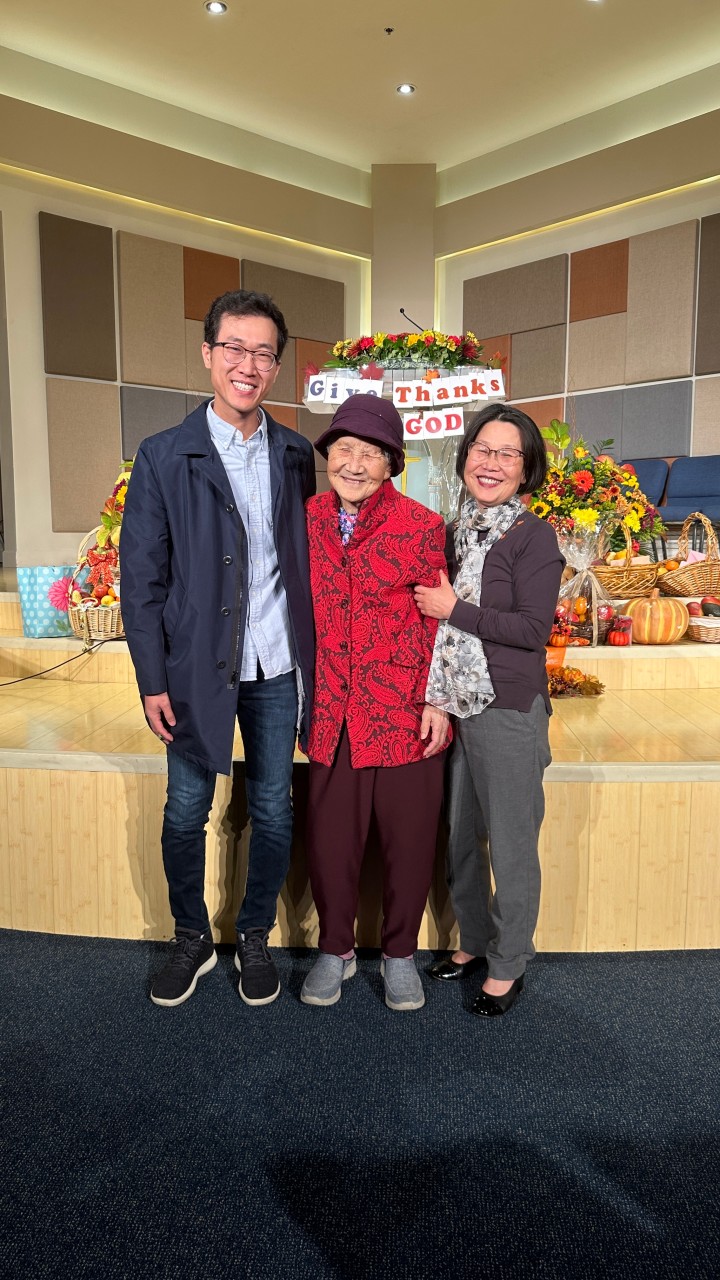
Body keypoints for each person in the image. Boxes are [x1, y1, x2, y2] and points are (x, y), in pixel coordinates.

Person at [121, 289, 315, 1008]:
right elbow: (141, 580)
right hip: (194, 667)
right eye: (234, 347)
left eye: (263, 353)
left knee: (273, 809)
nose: (247, 365)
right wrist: (152, 678)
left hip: (276, 664)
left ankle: (255, 933)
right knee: (185, 809)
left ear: (276, 367)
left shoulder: (296, 454)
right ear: (208, 354)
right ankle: (190, 937)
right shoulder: (164, 455)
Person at [300, 394, 450, 1012]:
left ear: (391, 464)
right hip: (331, 709)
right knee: (330, 841)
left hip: (404, 708)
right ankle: (333, 949)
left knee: (409, 842)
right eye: (344, 449)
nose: (354, 464)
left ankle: (400, 954)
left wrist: (438, 699)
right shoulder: (305, 518)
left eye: (370, 453)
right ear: (328, 457)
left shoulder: (422, 524)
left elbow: (442, 621)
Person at [414, 403, 563, 1017]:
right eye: (482, 449)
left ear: (526, 469)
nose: (491, 462)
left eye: (508, 454)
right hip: (456, 701)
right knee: (460, 837)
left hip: (507, 704)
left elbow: (532, 630)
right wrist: (434, 696)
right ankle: (473, 940)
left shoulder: (534, 537)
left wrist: (455, 609)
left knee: (510, 842)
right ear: (465, 457)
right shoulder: (453, 529)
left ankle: (508, 962)